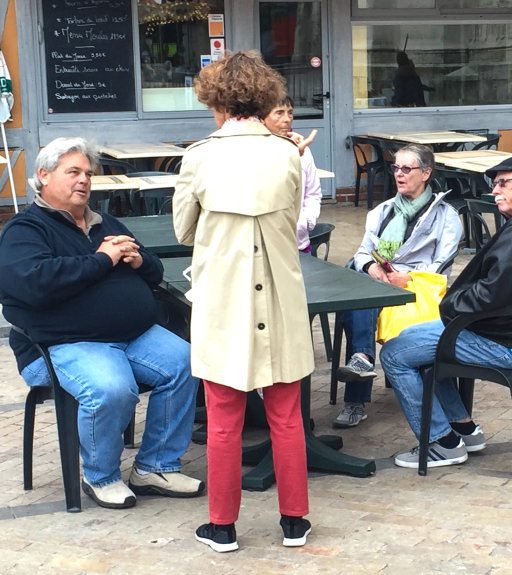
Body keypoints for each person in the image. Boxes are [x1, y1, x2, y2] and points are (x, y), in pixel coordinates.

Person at [0, 137, 203, 509]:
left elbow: (154, 271)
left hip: (132, 335)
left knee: (187, 363)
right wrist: (104, 259)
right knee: (113, 388)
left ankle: (155, 466)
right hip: (63, 342)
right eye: (73, 172)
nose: (84, 181)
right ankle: (100, 476)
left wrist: (140, 262)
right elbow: (34, 284)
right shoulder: (25, 230)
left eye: (88, 174)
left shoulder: (103, 222)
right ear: (43, 176)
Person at [173, 50, 315, 552]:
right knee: (287, 414)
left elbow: (183, 228)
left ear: (216, 101)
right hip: (280, 295)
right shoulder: (287, 153)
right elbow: (293, 218)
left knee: (224, 420)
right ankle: (295, 521)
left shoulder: (199, 155)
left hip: (224, 299)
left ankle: (223, 526)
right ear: (264, 98)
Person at [380, 155, 512, 469]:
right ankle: (465, 429)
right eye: (495, 183)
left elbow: (493, 292)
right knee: (413, 339)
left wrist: (450, 305)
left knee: (395, 354)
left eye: (504, 183)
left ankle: (442, 443)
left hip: (506, 342)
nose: (495, 190)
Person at [333, 143, 462, 428]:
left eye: (407, 169)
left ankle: (359, 375)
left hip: (415, 288)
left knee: (361, 296)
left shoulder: (446, 217)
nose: (399, 175)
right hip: (379, 282)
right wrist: (371, 267)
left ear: (426, 173)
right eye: (395, 168)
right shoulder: (383, 211)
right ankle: (362, 363)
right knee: (360, 281)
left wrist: (408, 279)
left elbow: (442, 266)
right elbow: (363, 251)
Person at [262, 95, 322, 252]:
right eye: (279, 113)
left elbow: (313, 192)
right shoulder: (256, 151)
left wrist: (306, 221)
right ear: (262, 118)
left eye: (290, 112)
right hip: (267, 246)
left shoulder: (303, 150)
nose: (287, 119)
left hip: (299, 243)